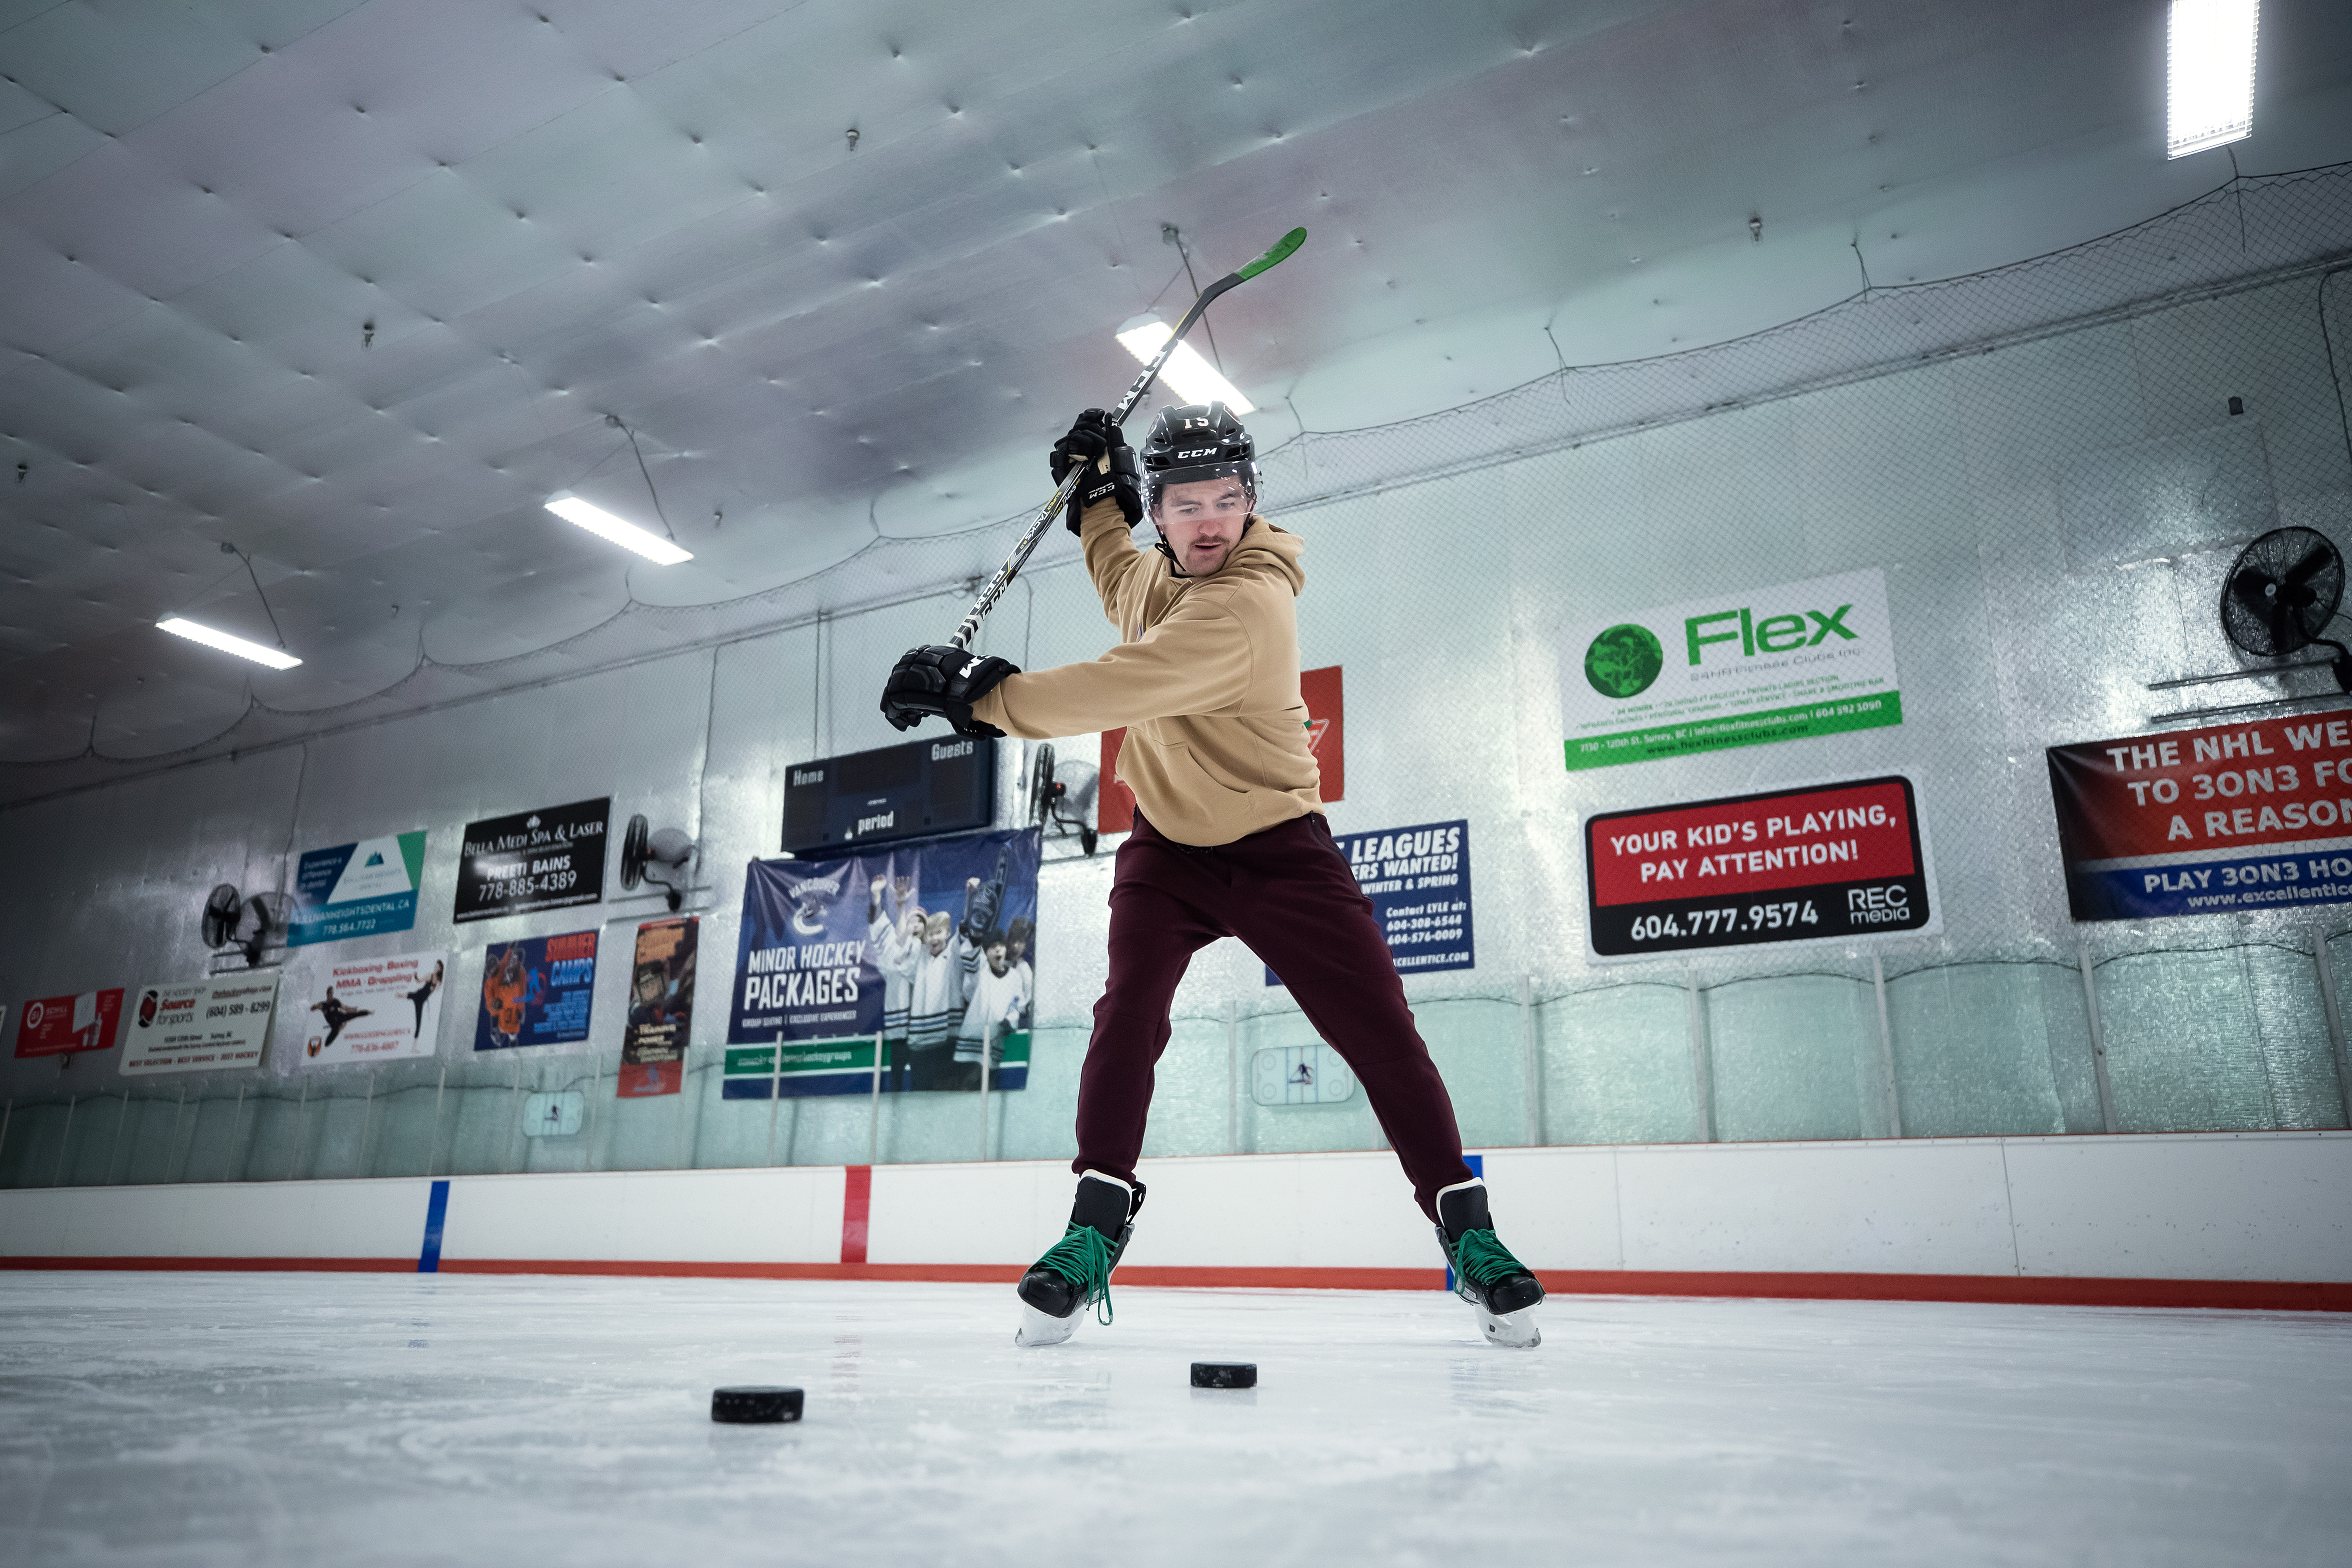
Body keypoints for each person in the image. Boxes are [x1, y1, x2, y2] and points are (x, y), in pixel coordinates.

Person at [880, 402, 1545, 1349]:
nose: (1208, 523)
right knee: (1128, 1014)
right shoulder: (1160, 577)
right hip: (1167, 851)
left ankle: (1467, 1230)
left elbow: (1117, 684)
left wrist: (981, 696)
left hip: (1281, 851)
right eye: (1185, 505)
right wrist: (1095, 499)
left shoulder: (1247, 606)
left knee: (1378, 1029)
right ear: (1159, 511)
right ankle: (1093, 1227)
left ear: (1250, 501)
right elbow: (1120, 575)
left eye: (1227, 501)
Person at [953, 931, 1029, 1089]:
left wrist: (1010, 1020)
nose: (998, 950)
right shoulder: (980, 973)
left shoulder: (1015, 977)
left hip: (995, 1041)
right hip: (973, 1042)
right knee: (969, 1089)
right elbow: (970, 968)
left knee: (990, 1087)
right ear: (986, 952)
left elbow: (1018, 1004)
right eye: (993, 947)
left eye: (1001, 946)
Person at [308, 985, 369, 1055]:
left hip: (340, 1019)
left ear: (332, 995)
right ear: (327, 995)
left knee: (353, 1015)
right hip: (334, 1024)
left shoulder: (335, 1002)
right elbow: (316, 1007)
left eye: (331, 995)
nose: (329, 997)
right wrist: (314, 1007)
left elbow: (345, 1007)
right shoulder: (323, 1005)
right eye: (328, 995)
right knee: (328, 1042)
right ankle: (339, 1029)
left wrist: (353, 1009)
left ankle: (367, 1013)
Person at [403, 960, 444, 1039]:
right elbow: (419, 981)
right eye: (435, 967)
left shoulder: (438, 982)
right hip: (418, 995)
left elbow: (436, 990)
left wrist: (434, 986)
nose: (436, 968)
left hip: (422, 1001)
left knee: (419, 1023)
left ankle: (415, 1044)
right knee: (406, 996)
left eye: (437, 967)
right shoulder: (430, 976)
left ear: (440, 969)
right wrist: (416, 977)